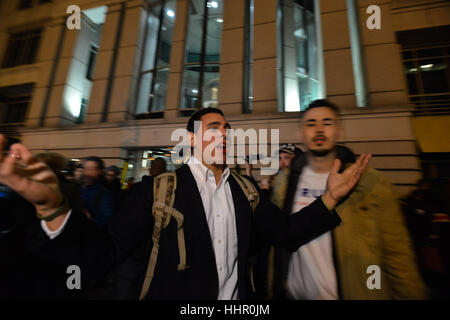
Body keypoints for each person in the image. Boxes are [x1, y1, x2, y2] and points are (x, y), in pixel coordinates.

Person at [0, 107, 370, 299]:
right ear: (191, 140)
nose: (224, 134)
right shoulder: (157, 190)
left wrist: (331, 198)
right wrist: (53, 208)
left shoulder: (247, 190)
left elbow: (287, 233)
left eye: (227, 129)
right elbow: (104, 252)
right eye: (214, 128)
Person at [272, 99, 427, 300]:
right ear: (300, 133)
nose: (319, 129)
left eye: (327, 123)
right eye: (311, 124)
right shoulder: (284, 182)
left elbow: (396, 256)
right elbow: (276, 242)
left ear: (339, 131)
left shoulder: (371, 182)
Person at [81, 156, 115, 226]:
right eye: (85, 169)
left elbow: (106, 221)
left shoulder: (105, 194)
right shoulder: (80, 188)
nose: (86, 173)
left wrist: (89, 218)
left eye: (91, 169)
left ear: (99, 172)